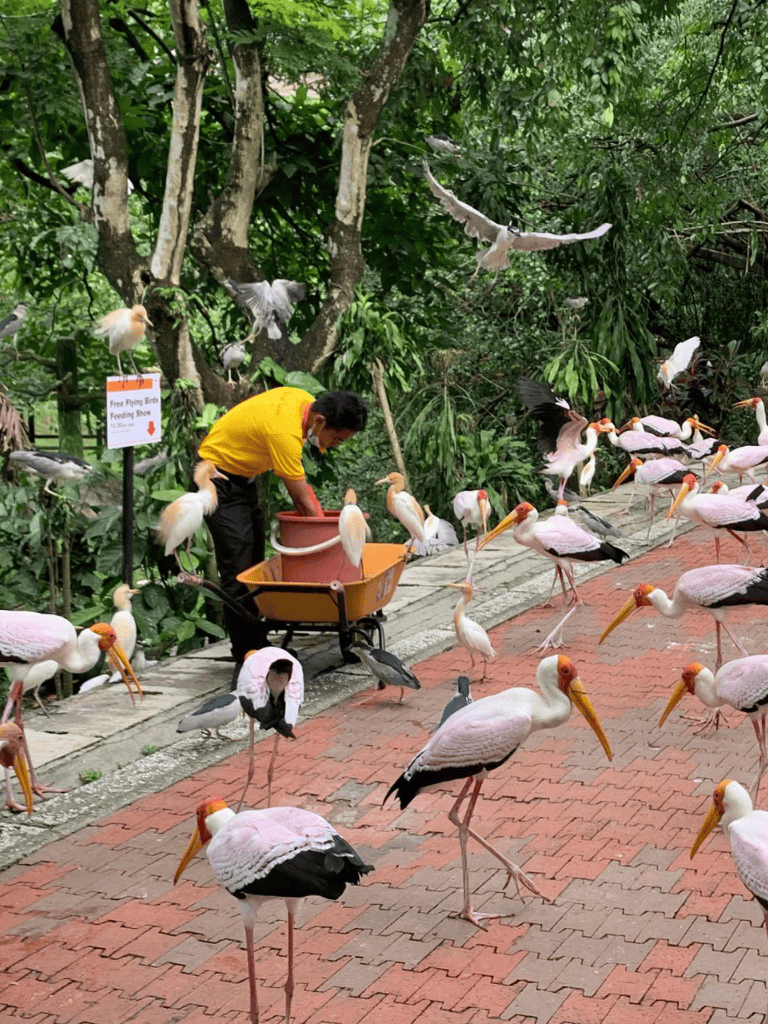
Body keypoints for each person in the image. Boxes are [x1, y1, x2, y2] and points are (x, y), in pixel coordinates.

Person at [197, 387, 367, 683]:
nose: (334, 445)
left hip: (243, 478)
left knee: (252, 565)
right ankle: (247, 655)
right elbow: (301, 500)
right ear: (320, 421)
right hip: (216, 481)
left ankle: (259, 644)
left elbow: (305, 492)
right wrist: (329, 538)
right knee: (238, 571)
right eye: (337, 438)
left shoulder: (302, 401)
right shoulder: (284, 432)